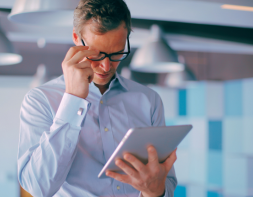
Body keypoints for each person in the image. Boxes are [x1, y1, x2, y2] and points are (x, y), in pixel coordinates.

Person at [18, 0, 178, 196]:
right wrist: (72, 100)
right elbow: (38, 188)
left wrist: (155, 192)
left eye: (117, 53)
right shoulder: (40, 100)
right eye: (97, 54)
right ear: (77, 38)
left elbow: (166, 182)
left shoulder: (149, 101)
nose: (106, 66)